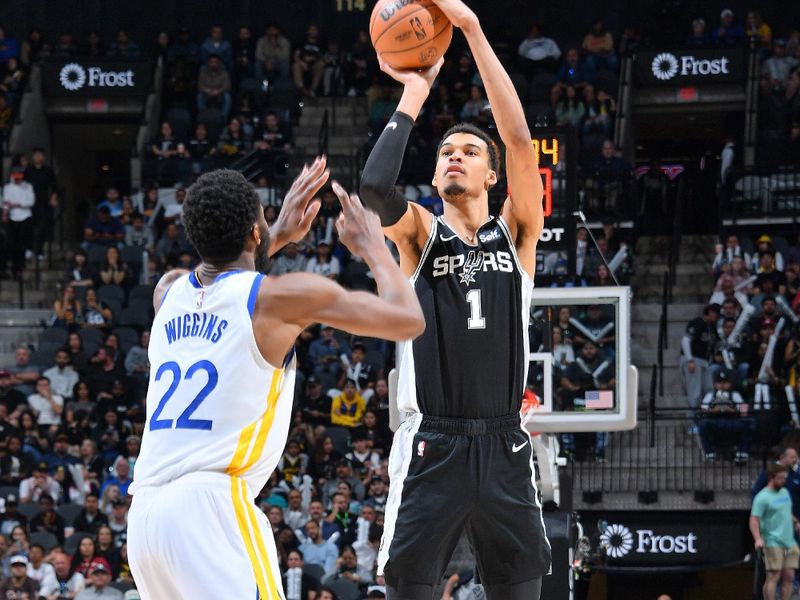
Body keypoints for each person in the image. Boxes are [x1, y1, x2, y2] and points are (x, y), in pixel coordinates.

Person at [127, 159, 424, 599]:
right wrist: (374, 247)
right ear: (252, 231)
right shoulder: (280, 298)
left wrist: (276, 233)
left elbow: (226, 278)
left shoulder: (168, 291)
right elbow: (407, 320)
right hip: (211, 508)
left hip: (146, 516)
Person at [359, 1, 550, 597]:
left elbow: (518, 139)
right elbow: (371, 188)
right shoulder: (419, 232)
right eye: (445, 152)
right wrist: (414, 92)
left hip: (504, 441)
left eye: (468, 152)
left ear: (492, 176)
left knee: (521, 586)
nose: (454, 156)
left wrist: (470, 27)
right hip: (431, 443)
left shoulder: (516, 233)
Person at [751, 463, 800, 600]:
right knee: (774, 576)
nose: (784, 481)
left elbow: (785, 512)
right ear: (771, 478)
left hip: (789, 541)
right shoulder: (762, 497)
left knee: (789, 576)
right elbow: (754, 520)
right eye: (781, 478)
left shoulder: (784, 492)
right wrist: (758, 539)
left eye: (785, 478)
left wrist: (796, 522)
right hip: (773, 541)